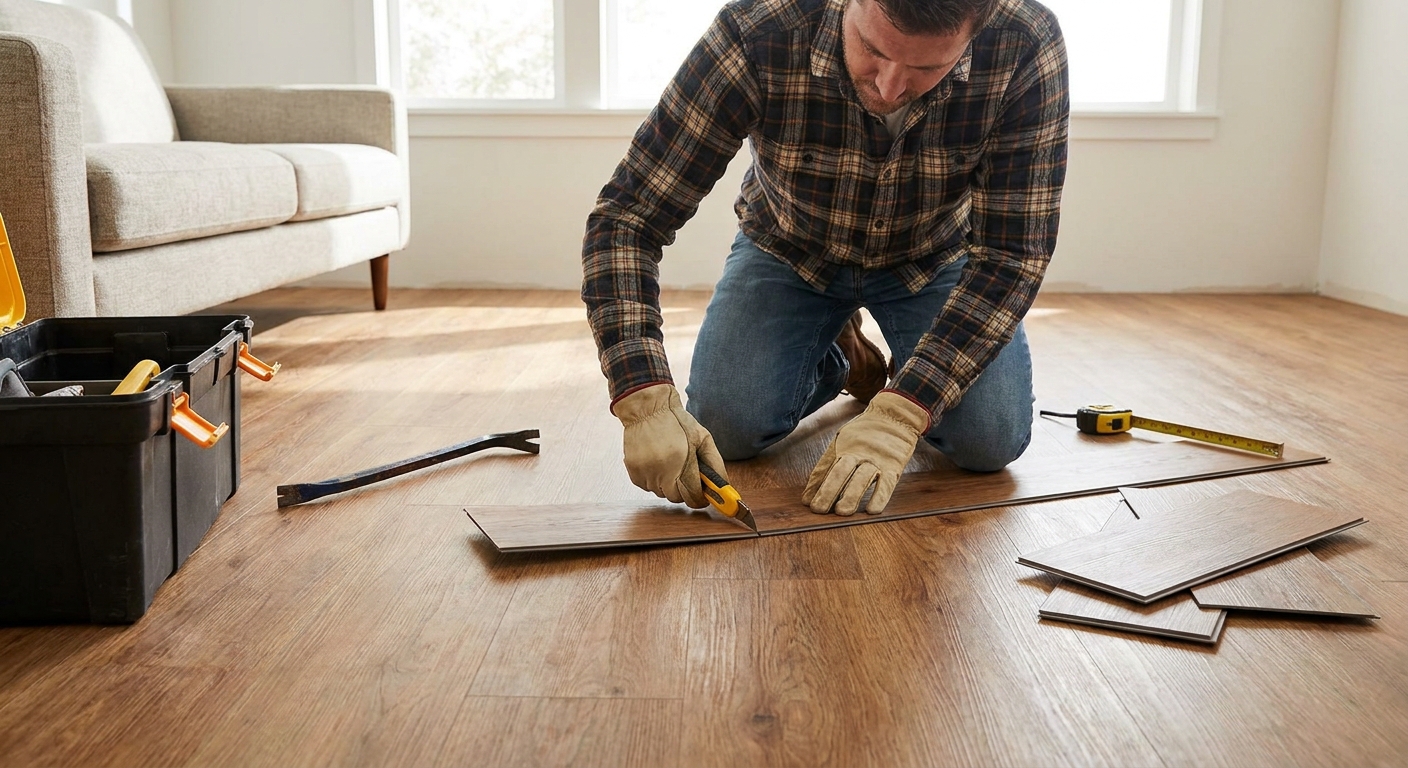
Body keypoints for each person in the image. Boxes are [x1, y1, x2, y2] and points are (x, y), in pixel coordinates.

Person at [581, 0, 1069, 517]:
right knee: (727, 428)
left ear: (981, 25)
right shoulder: (758, 29)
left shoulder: (1025, 41)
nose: (889, 87)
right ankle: (840, 357)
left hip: (931, 258)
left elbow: (1012, 257)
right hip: (789, 251)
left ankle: (911, 365)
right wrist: (643, 395)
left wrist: (905, 410)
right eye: (873, 50)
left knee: (988, 441)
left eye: (927, 68)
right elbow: (628, 217)